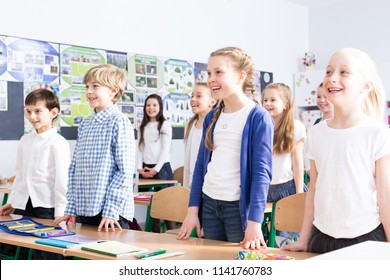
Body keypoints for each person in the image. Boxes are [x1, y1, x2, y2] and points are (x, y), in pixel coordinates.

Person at [283, 48, 390, 254]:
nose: (332, 78)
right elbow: (313, 191)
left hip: (366, 239)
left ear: (365, 86)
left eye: (343, 72)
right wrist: (304, 239)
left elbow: (385, 197)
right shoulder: (316, 133)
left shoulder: (378, 133)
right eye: (329, 72)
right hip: (321, 238)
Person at [177, 47, 274, 250]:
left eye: (218, 72)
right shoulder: (212, 117)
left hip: (237, 209)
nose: (211, 78)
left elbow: (261, 174)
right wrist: (192, 210)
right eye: (209, 73)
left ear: (240, 76)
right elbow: (200, 166)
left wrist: (255, 222)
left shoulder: (258, 117)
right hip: (209, 205)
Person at [54, 64, 135, 232]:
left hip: (111, 214)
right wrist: (71, 209)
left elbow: (124, 171)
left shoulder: (119, 121)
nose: (88, 91)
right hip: (86, 208)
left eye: (95, 86)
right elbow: (75, 169)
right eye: (87, 87)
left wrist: (111, 211)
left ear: (113, 91)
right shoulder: (85, 124)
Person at [0, 88, 70, 259]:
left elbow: (62, 180)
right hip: (25, 203)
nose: (32, 117)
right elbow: (20, 174)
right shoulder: (26, 140)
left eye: (38, 111)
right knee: (24, 247)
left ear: (53, 112)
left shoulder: (58, 142)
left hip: (47, 205)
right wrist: (13, 201)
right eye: (29, 111)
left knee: (47, 251)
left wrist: (61, 212)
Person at [262, 83, 307, 204]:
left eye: (273, 100)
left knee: (292, 222)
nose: (267, 103)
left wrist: (299, 193)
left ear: (285, 104)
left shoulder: (296, 126)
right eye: (265, 100)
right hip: (265, 189)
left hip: (288, 188)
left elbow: (297, 162)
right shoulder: (261, 127)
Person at [137, 93, 174, 233]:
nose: (151, 108)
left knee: (165, 203)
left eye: (154, 105)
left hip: (162, 168)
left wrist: (156, 169)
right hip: (146, 167)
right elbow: (140, 148)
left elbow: (165, 150)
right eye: (148, 105)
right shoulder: (142, 125)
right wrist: (139, 168)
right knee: (151, 204)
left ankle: (170, 231)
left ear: (160, 107)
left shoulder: (165, 124)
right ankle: (154, 232)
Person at [183, 82, 217, 188]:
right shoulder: (190, 124)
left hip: (209, 186)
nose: (193, 99)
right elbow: (187, 160)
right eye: (192, 96)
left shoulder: (216, 124)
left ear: (212, 101)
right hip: (191, 185)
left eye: (198, 96)